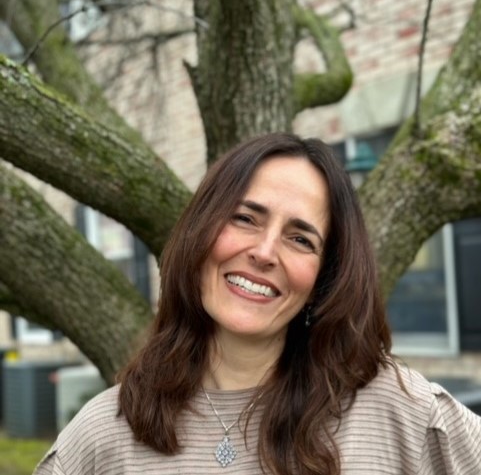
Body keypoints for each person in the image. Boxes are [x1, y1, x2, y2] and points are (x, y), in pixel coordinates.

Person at [34, 133, 481, 475]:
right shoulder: (104, 435)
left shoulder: (400, 412)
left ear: (324, 278)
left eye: (300, 239)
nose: (265, 252)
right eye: (245, 218)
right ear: (200, 232)